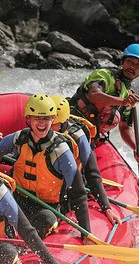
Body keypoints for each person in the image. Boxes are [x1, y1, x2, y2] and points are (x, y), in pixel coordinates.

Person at [0, 94, 92, 241]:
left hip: (46, 207)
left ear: (53, 119)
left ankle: (22, 243)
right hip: (17, 198)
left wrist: (86, 233)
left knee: (46, 218)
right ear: (28, 119)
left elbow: (78, 192)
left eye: (46, 119)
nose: (42, 123)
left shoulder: (61, 151)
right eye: (37, 118)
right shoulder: (19, 138)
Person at [69, 43, 139, 164]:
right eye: (130, 61)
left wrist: (136, 148)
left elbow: (125, 127)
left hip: (91, 133)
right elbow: (93, 95)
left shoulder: (128, 94)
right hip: (72, 121)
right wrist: (123, 101)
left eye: (138, 65)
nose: (133, 67)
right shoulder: (104, 75)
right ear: (123, 62)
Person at [51, 95, 120, 226]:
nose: (46, 126)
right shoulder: (36, 130)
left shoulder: (78, 137)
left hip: (67, 190)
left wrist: (106, 208)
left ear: (62, 122)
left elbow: (92, 173)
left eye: (51, 122)